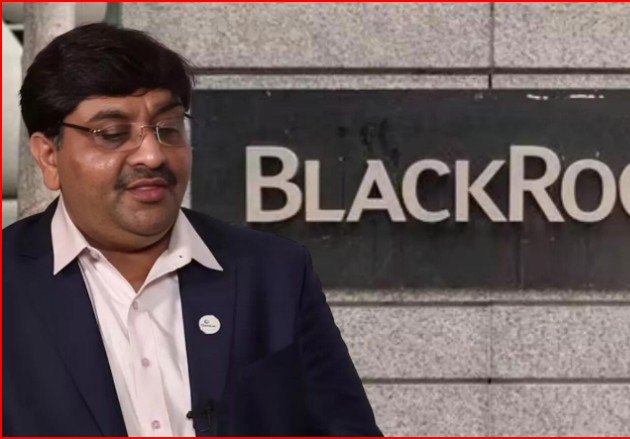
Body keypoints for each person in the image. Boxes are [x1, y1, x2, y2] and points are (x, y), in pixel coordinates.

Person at [2, 23, 381, 437]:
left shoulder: (274, 272)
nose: (152, 155)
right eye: (113, 134)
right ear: (49, 156)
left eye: (168, 129)